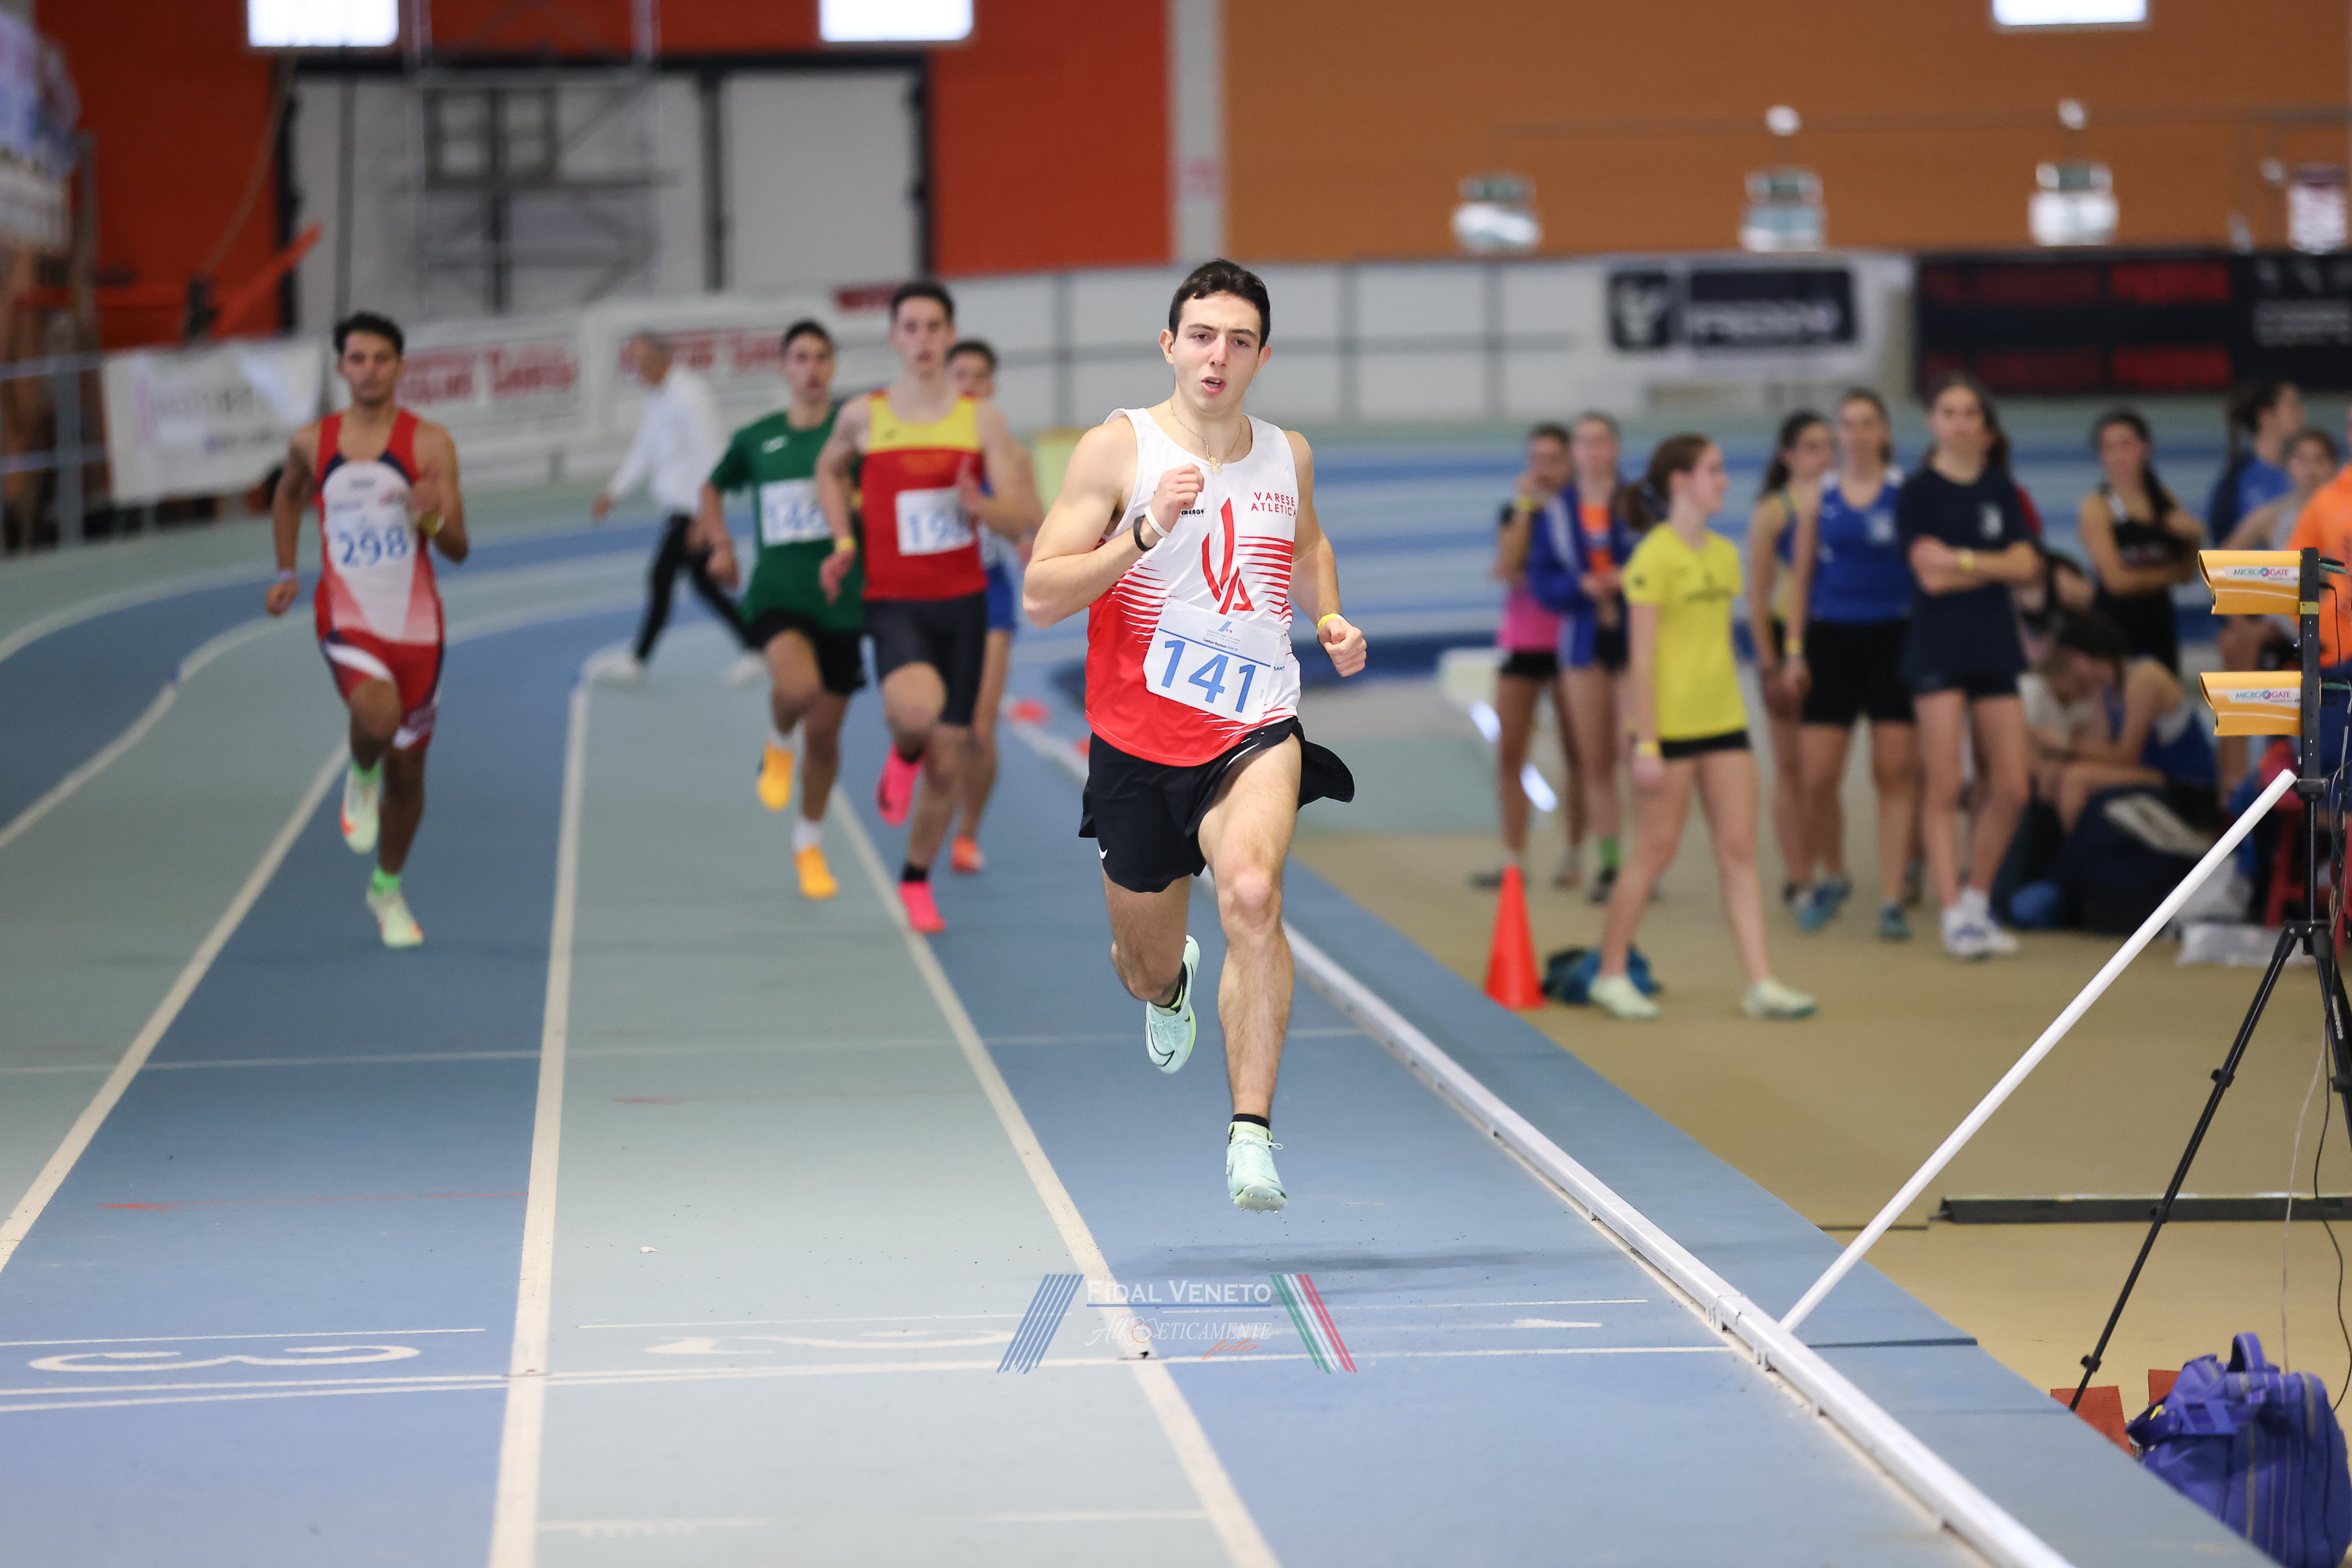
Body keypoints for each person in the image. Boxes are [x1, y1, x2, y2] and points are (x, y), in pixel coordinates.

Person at [1023, 259, 1367, 1211]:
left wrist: (1329, 615)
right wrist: (1141, 532)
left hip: (1253, 725)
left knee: (1252, 894)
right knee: (1144, 965)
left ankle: (1251, 1134)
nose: (1219, 356)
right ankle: (1169, 983)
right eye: (1203, 336)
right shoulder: (1116, 450)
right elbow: (1040, 594)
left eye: (1240, 340)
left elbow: (1306, 545)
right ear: (1170, 345)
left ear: (1262, 356)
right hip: (1137, 744)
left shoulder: (1287, 455)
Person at [814, 281, 1041, 932]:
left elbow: (1019, 519)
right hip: (894, 602)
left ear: (949, 334)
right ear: (894, 337)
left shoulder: (981, 419)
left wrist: (981, 506)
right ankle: (903, 751)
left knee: (951, 756)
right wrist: (843, 539)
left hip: (964, 604)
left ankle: (915, 878)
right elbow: (828, 471)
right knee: (914, 715)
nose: (922, 339)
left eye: (934, 327)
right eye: (910, 327)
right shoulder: (864, 416)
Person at [1585, 434, 1814, 1023]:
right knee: (1653, 852)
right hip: (1667, 732)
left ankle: (1761, 982)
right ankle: (1610, 973)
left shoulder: (1724, 555)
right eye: (1714, 470)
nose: (1725, 480)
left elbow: (1714, 646)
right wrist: (1647, 743)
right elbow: (1640, 658)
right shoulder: (1653, 557)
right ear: (1681, 482)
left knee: (1739, 853)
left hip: (1725, 723)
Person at [264, 310, 470, 948]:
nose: (370, 370)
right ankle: (360, 773)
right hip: (347, 614)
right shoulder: (312, 441)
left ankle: (387, 889)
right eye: (358, 359)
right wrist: (287, 569)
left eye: (382, 359)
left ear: (400, 367)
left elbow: (458, 547)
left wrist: (430, 518)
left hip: (417, 626)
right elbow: (287, 496)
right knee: (378, 719)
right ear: (341, 368)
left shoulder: (430, 443)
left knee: (409, 772)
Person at [691, 320, 862, 902]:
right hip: (776, 594)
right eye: (800, 358)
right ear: (785, 368)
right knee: (796, 688)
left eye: (821, 357)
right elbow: (711, 488)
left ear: (833, 366)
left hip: (843, 602)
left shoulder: (853, 438)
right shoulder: (757, 438)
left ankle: (807, 843)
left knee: (826, 739)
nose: (811, 368)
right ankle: (776, 740)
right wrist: (720, 544)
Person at [1899, 372, 2040, 960]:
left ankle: (1978, 900)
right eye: (1949, 412)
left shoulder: (2000, 488)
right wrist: (1992, 565)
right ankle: (1951, 909)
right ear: (1933, 422)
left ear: (1984, 427)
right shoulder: (1917, 492)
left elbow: (2027, 565)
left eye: (1970, 413)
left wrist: (1959, 559)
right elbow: (1927, 577)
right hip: (1938, 649)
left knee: (2011, 785)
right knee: (1944, 784)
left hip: (1993, 646)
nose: (1959, 423)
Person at [1785, 389, 1917, 941]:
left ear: (1884, 431)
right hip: (1831, 641)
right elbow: (1801, 578)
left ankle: (1892, 896)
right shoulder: (1820, 496)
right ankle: (1834, 875)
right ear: (1838, 433)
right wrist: (1794, 650)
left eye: (1867, 423)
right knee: (1818, 776)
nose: (1857, 434)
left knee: (1893, 772)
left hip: (1895, 639)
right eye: (1848, 424)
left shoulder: (1906, 493)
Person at [594, 331, 759, 685]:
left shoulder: (690, 396)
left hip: (690, 510)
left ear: (662, 358)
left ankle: (638, 660)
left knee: (661, 579)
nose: (636, 371)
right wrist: (614, 492)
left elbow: (709, 453)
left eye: (640, 362)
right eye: (632, 364)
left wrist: (704, 516)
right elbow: (645, 448)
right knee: (705, 585)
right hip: (677, 508)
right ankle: (755, 646)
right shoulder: (655, 396)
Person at [1522, 411, 1635, 904]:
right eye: (1583, 442)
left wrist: (1628, 580)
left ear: (1615, 448)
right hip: (1582, 645)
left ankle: (1645, 861)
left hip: (1634, 643)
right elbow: (1542, 578)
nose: (1592, 451)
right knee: (1595, 760)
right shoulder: (1556, 512)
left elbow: (1663, 558)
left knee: (1637, 754)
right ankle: (1610, 863)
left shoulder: (1637, 503)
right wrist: (1580, 586)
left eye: (1600, 440)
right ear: (1575, 453)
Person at [942, 337, 1037, 876]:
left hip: (989, 596)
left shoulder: (1010, 454)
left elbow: (1033, 521)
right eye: (960, 375)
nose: (969, 385)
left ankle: (967, 832)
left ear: (992, 385)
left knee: (979, 729)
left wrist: (1027, 536)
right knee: (938, 726)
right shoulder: (926, 447)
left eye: (979, 376)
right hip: (931, 595)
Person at [1479, 422, 1587, 890]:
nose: (1543, 469)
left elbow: (1527, 570)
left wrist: (1524, 572)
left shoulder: (1581, 516)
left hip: (1569, 645)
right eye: (1536, 459)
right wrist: (1526, 508)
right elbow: (1510, 560)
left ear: (1570, 463)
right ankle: (1514, 858)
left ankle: (1576, 854)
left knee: (1580, 754)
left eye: (1553, 460)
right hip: (1522, 644)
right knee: (1510, 753)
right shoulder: (1517, 511)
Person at [1748, 411, 1833, 920]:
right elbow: (1757, 597)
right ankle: (1799, 875)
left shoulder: (1843, 501)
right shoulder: (1774, 511)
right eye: (1811, 447)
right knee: (1792, 766)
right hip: (1786, 640)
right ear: (1788, 456)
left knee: (1826, 769)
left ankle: (1829, 866)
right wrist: (1768, 665)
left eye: (1828, 446)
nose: (1823, 456)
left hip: (1837, 635)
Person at [2024, 611, 2219, 833]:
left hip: (2187, 783)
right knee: (2053, 774)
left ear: (2081, 657)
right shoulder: (2106, 691)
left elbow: (2126, 756)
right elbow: (2097, 747)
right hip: (2152, 772)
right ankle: (2052, 848)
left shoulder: (2143, 677)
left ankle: (2080, 851)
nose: (2065, 671)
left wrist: (2065, 743)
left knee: (2075, 779)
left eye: (2067, 663)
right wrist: (2051, 751)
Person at [2077, 409, 2202, 674]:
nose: (2118, 456)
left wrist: (2194, 539)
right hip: (2115, 628)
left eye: (2126, 445)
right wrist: (2168, 574)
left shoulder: (2163, 500)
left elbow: (2187, 573)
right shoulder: (2096, 507)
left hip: (2159, 624)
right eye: (2109, 447)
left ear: (2145, 448)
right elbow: (2116, 582)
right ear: (2100, 455)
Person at [2205, 379, 2304, 543]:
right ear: (2266, 416)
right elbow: (2221, 544)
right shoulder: (2238, 480)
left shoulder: (2307, 472)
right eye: (2293, 406)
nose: (2302, 413)